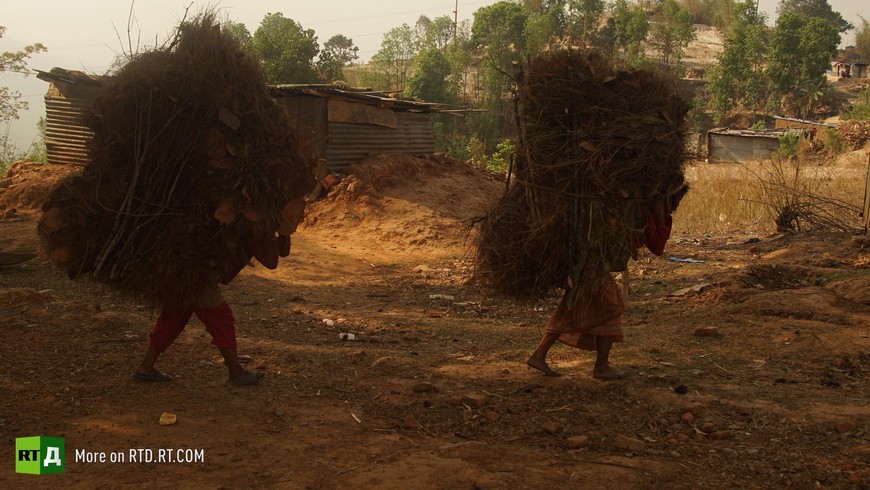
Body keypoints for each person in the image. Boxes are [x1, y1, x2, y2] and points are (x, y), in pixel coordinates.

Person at [526, 183, 685, 379]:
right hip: (592, 265)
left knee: (574, 307)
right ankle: (600, 367)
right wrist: (659, 213)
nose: (670, 211)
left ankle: (541, 355)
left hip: (590, 265)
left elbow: (653, 244)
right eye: (670, 206)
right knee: (612, 306)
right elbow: (657, 245)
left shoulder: (636, 212)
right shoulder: (635, 212)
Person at [133, 282, 264, 386]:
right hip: (196, 277)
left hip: (181, 274)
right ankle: (236, 373)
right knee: (220, 318)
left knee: (173, 318)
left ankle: (146, 367)